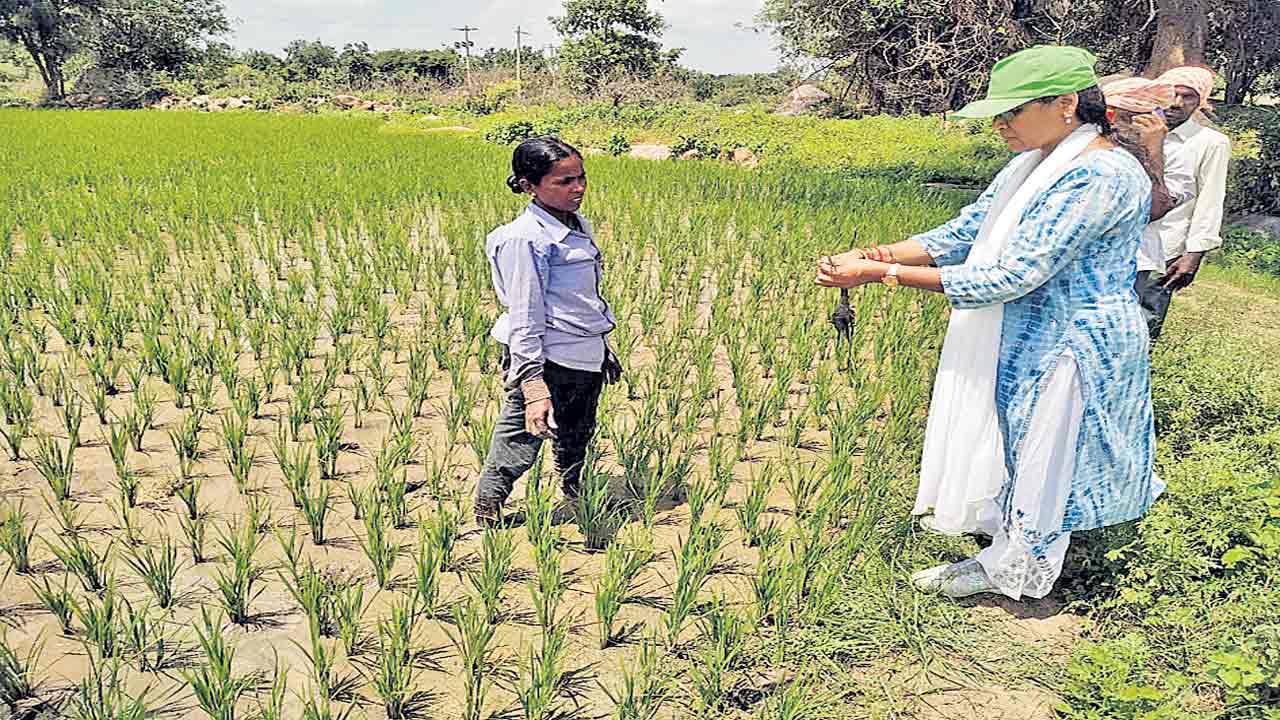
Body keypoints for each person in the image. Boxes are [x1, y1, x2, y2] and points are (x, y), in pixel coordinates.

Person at [815, 46, 1160, 600]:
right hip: (1024, 333)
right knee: (1019, 444)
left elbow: (1013, 275)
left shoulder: (1099, 174)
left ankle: (1017, 569)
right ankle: (1005, 546)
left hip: (1073, 341)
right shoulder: (1035, 161)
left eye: (1012, 112)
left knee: (1051, 455)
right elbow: (965, 231)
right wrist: (875, 253)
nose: (1001, 125)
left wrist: (882, 275)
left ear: (1066, 103)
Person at [474, 136, 622, 527]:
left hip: (584, 353)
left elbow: (580, 299)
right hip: (548, 356)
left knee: (578, 430)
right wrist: (534, 387)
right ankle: (487, 508)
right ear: (528, 185)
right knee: (522, 436)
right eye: (564, 181)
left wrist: (603, 348)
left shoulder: (575, 224)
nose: (578, 189)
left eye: (581, 177)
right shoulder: (524, 239)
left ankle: (576, 495)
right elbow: (525, 317)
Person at [1131, 66, 1232, 342]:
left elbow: (1211, 198)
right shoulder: (1134, 129)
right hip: (1124, 242)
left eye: (1187, 97)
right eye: (1171, 93)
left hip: (1167, 248)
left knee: (1145, 320)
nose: (1176, 102)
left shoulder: (1210, 142)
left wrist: (1194, 253)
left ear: (1200, 102)